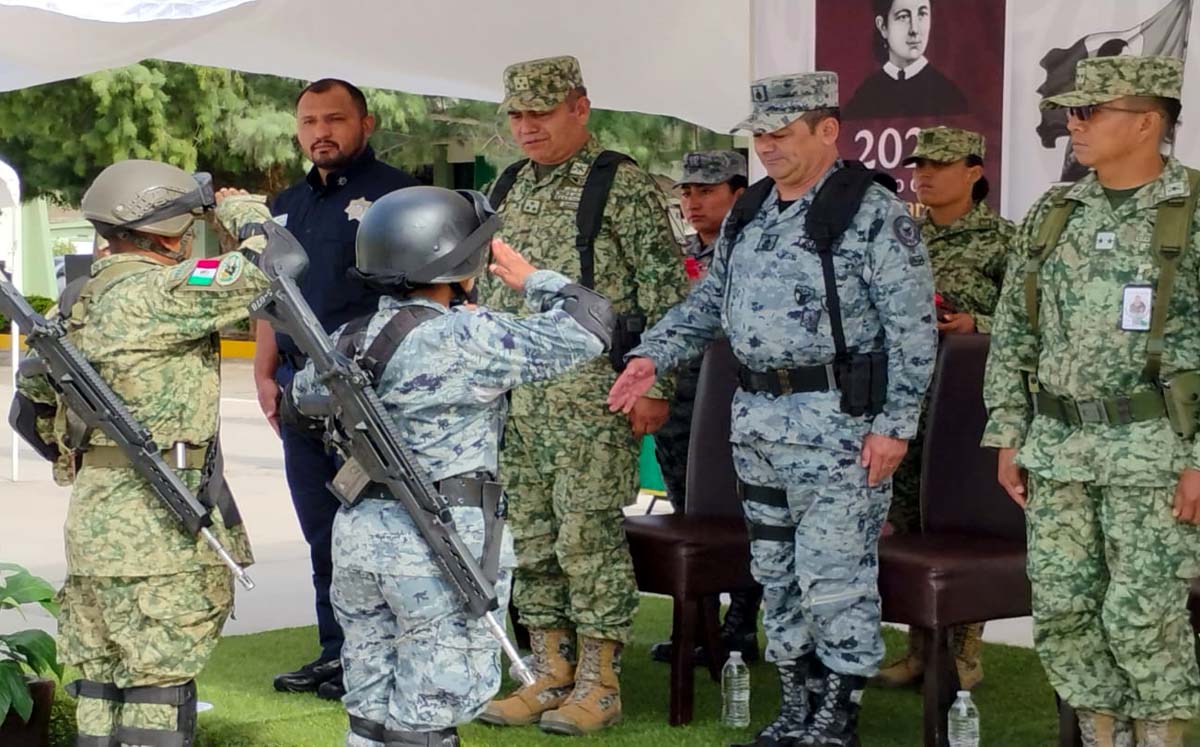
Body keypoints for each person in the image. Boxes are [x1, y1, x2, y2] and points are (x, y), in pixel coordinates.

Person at [609, 72, 936, 747]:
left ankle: (837, 715)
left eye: (782, 133)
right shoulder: (752, 211)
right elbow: (709, 303)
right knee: (777, 573)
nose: (767, 146)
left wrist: (894, 426)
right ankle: (794, 705)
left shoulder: (871, 213)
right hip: (758, 422)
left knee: (834, 575)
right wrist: (652, 355)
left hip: (840, 425)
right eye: (759, 133)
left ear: (826, 130)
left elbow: (912, 331)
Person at [286, 185, 616, 747]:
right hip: (438, 541)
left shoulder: (342, 339)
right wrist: (531, 277)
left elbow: (300, 402)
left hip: (361, 538)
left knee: (370, 707)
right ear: (459, 262)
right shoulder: (467, 338)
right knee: (428, 714)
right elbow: (593, 324)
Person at [13, 159, 270, 746]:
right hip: (162, 520)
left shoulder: (75, 299)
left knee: (100, 681)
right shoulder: (168, 287)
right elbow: (271, 267)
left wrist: (88, 455)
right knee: (157, 681)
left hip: (95, 517)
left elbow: (29, 405)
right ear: (167, 227)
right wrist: (238, 210)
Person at [982, 55, 1200, 747]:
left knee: (1143, 616)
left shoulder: (1191, 210)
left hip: (1153, 451)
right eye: (1070, 111)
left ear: (1147, 122)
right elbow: (1015, 330)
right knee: (1066, 611)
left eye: (1088, 112)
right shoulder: (1055, 210)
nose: (1071, 123)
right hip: (1058, 447)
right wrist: (1009, 433)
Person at [476, 55, 690, 736]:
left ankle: (601, 683)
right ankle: (550, 673)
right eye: (516, 114)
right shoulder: (509, 184)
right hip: (518, 399)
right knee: (534, 541)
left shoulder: (618, 184)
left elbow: (664, 292)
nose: (527, 126)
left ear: (579, 107)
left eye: (541, 112)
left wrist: (657, 384)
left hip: (593, 397)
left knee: (588, 540)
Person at [256, 78, 420, 701]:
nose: (321, 132)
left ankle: (398, 655)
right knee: (321, 527)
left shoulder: (401, 195)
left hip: (376, 389)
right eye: (309, 122)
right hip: (301, 389)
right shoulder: (287, 202)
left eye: (335, 120)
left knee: (386, 529)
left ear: (365, 124)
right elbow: (268, 291)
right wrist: (264, 374)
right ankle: (339, 653)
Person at [875, 126, 1013, 690]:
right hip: (906, 401)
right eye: (919, 165)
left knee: (959, 524)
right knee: (908, 521)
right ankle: (918, 649)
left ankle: (963, 653)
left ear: (974, 171)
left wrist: (976, 326)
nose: (923, 175)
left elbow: (1037, 323)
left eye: (940, 164)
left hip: (968, 404)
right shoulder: (903, 235)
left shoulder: (1005, 240)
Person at [646, 150, 765, 668]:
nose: (692, 202)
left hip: (732, 405)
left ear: (738, 193)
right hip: (680, 406)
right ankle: (699, 626)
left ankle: (740, 627)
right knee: (687, 512)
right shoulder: (680, 256)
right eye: (686, 192)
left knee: (742, 517)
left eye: (706, 191)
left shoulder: (758, 252)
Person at [842, 0, 967, 121]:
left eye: (922, 14)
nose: (914, 30)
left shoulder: (949, 96)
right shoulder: (865, 97)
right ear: (883, 26)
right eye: (903, 17)